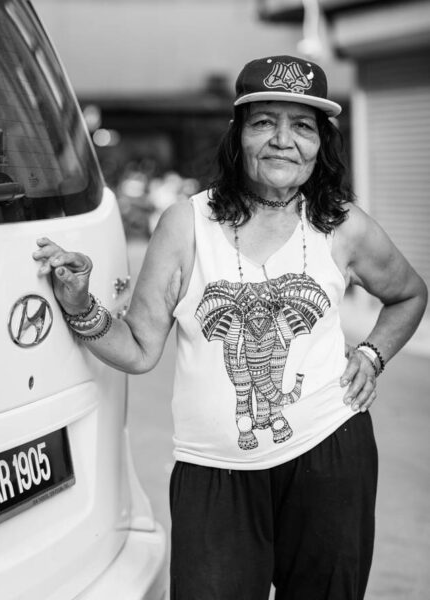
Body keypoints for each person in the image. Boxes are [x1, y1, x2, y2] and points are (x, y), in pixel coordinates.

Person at [33, 55, 427, 600]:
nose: (283, 140)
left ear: (321, 144)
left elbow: (409, 294)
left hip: (331, 453)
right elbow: (141, 347)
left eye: (303, 126)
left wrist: (373, 355)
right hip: (213, 474)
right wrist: (80, 304)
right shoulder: (186, 223)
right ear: (238, 134)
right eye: (265, 121)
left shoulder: (342, 226)